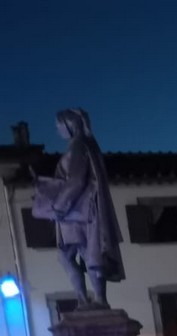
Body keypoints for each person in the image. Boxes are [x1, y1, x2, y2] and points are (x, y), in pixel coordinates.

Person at [32, 109, 125, 309]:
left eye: (58, 127)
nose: (58, 132)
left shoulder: (77, 147)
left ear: (68, 125)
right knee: (84, 254)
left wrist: (58, 207)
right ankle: (94, 300)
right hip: (82, 211)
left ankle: (90, 300)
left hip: (77, 212)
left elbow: (75, 181)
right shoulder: (87, 144)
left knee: (77, 255)